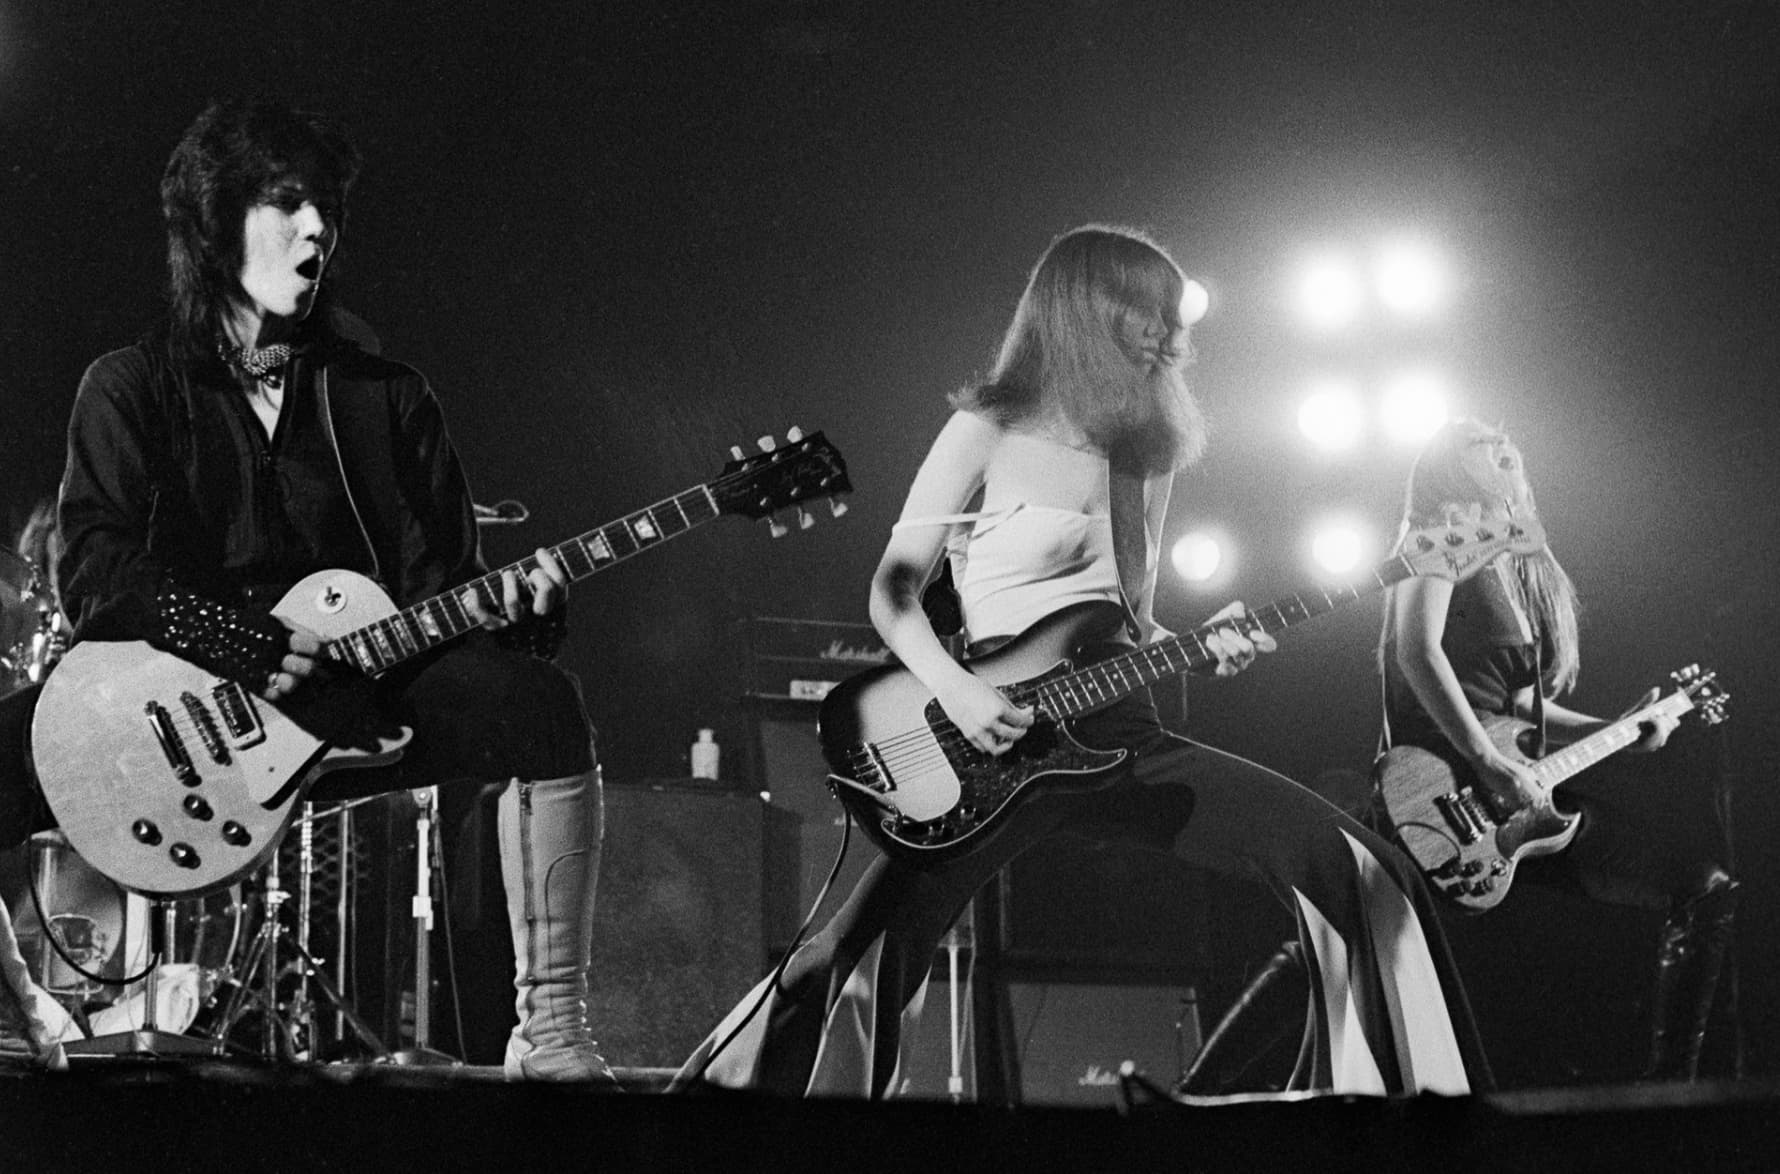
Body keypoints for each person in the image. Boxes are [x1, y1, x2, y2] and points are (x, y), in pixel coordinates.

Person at [676, 224, 1491, 1098]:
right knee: (857, 954)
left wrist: (1207, 644)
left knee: (1364, 870)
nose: (1169, 337)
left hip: (1122, 735)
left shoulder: (1146, 454)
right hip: (992, 746)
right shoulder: (986, 426)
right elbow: (893, 592)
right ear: (1085, 308)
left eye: (1174, 320)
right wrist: (957, 693)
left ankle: (1405, 1116)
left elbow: (1133, 621)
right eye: (1148, 314)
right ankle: (735, 1118)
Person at [29, 98, 610, 1079]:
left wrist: (522, 620)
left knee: (542, 707)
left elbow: (446, 591)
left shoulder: (388, 396)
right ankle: (22, 997)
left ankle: (550, 1031)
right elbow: (93, 571)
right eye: (288, 201)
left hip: (360, 695)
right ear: (216, 223)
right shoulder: (129, 385)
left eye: (328, 209)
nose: (318, 230)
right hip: (179, 700)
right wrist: (241, 642)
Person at [1378, 418, 1737, 1081]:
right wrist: (1487, 762)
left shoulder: (1512, 564)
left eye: (1505, 437)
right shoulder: (1433, 535)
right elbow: (1416, 652)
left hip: (1507, 802)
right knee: (1361, 938)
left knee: (1702, 883)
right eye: (1480, 440)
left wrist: (1624, 729)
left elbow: (1520, 707)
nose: (1501, 443)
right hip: (1441, 784)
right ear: (1446, 465)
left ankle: (1671, 1090)